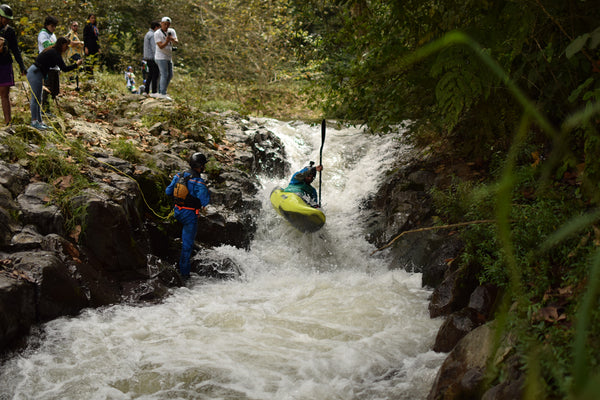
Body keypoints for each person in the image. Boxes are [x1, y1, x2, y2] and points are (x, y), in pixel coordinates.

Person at [165, 153, 210, 279]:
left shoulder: (178, 175)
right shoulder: (198, 181)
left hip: (177, 211)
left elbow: (168, 191)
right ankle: (184, 275)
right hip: (189, 215)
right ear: (200, 166)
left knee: (182, 238)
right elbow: (205, 201)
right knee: (187, 245)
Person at [27, 37, 82, 130]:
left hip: (39, 74)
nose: (67, 48)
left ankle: (40, 122)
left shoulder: (54, 52)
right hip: (34, 73)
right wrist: (76, 65)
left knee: (39, 98)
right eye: (66, 45)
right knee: (35, 99)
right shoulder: (54, 53)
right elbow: (64, 68)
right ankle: (34, 121)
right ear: (62, 44)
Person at [0, 4, 26, 126]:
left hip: (5, 65)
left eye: (8, 19)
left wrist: (22, 66)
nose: (7, 21)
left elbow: (15, 50)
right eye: (6, 18)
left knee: (5, 94)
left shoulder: (10, 32)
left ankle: (8, 122)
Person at [37, 16, 58, 116]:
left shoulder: (53, 35)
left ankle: (49, 109)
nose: (53, 28)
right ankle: (44, 109)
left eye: (55, 26)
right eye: (52, 26)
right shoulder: (43, 34)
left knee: (54, 89)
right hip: (46, 66)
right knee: (47, 88)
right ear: (47, 25)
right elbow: (47, 46)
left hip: (54, 66)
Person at [154, 16, 178, 100]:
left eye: (168, 24)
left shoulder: (172, 31)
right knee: (164, 74)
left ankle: (161, 91)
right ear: (161, 24)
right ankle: (162, 93)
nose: (166, 26)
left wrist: (172, 39)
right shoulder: (157, 33)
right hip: (160, 57)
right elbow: (160, 46)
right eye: (164, 24)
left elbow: (176, 41)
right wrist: (167, 41)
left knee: (170, 75)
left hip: (168, 56)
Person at [65, 20, 83, 90]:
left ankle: (76, 85)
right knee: (78, 68)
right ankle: (74, 84)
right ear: (71, 26)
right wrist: (80, 42)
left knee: (76, 69)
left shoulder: (75, 34)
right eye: (74, 25)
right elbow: (70, 43)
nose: (76, 27)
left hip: (77, 53)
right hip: (73, 54)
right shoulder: (71, 33)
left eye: (77, 26)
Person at [143, 20, 160, 96]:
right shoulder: (153, 35)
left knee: (150, 75)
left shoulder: (148, 34)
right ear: (156, 27)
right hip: (153, 58)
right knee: (155, 75)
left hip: (148, 58)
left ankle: (146, 91)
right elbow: (154, 48)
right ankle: (154, 91)